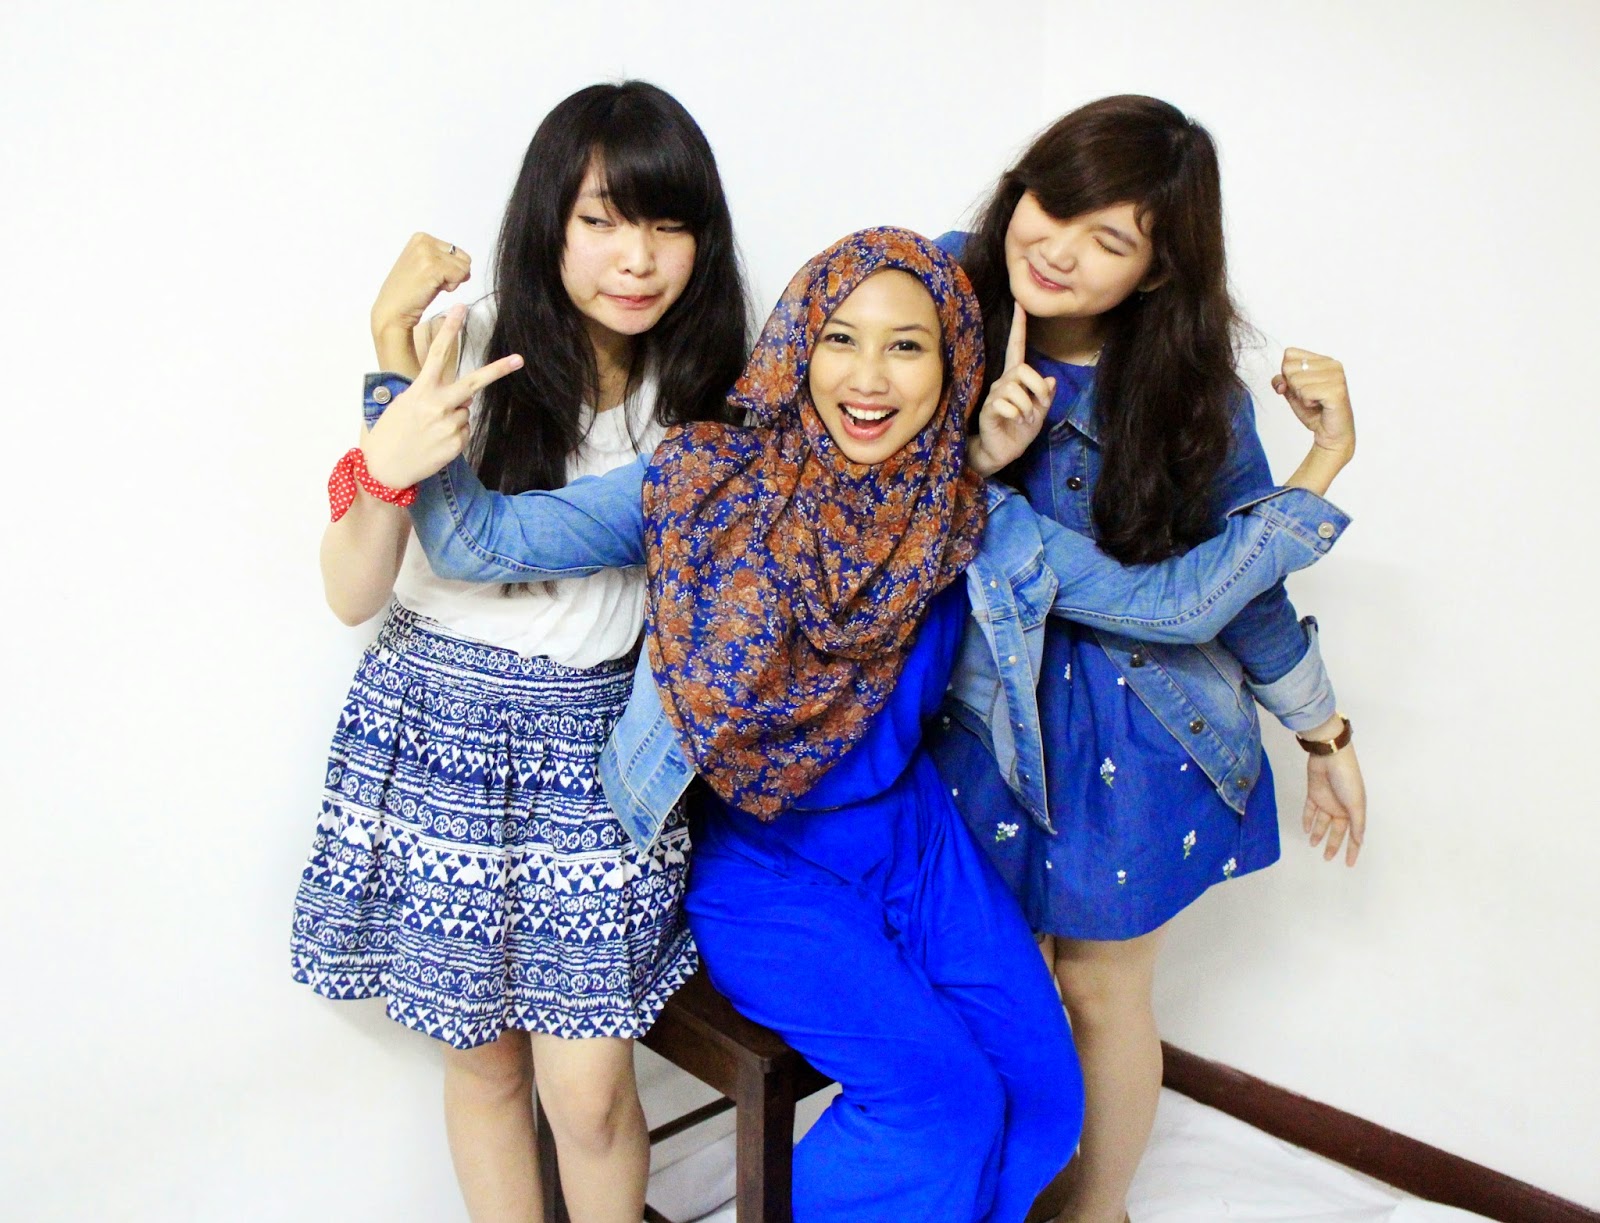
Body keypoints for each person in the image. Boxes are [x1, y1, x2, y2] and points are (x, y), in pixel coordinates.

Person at [361, 226, 1356, 1221]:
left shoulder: (966, 514)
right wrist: (397, 369)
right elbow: (475, 539)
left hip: (918, 843)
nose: (868, 376)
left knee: (1048, 1103)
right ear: (799, 346)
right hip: (764, 864)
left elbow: (1172, 605)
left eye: (907, 345)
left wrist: (1324, 459)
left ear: (952, 366)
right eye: (840, 338)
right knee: (941, 1112)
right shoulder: (701, 479)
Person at [290, 80, 748, 1223]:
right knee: (485, 1062)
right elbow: (350, 589)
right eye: (601, 220)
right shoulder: (469, 344)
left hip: (601, 749)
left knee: (587, 1093)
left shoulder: (709, 385)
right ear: (550, 221)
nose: (635, 259)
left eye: (667, 224)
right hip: (440, 733)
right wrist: (386, 427)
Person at [926, 94, 1369, 1223]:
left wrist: (1323, 734)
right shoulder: (937, 297)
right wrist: (975, 453)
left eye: (1109, 239)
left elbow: (1236, 589)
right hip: (972, 715)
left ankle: (1096, 1209)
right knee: (979, 984)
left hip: (1136, 724)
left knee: (1100, 990)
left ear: (1158, 268)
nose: (1058, 250)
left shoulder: (1189, 394)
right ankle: (990, 1191)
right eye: (1053, 204)